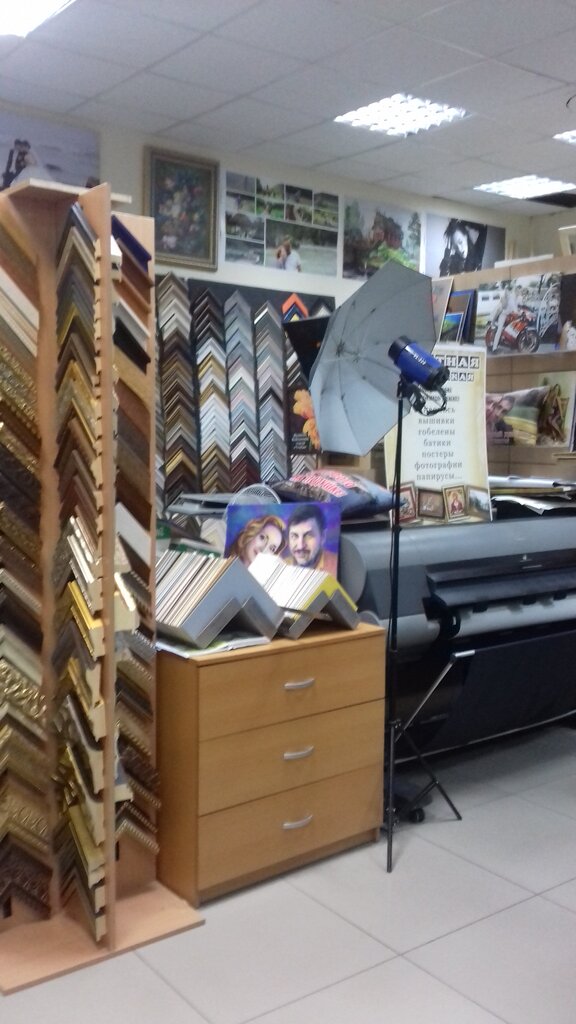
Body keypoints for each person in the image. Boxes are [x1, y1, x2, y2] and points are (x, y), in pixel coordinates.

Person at [285, 504, 330, 571]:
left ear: (323, 537)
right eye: (294, 536)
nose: (300, 546)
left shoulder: (334, 567)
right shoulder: (282, 565)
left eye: (308, 536)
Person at [491, 284, 523, 352]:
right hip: (504, 314)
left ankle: (513, 344)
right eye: (518, 291)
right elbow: (514, 308)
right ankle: (494, 348)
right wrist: (519, 313)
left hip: (510, 315)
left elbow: (521, 305)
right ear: (515, 290)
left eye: (520, 291)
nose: (519, 292)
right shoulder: (511, 297)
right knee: (500, 329)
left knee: (516, 327)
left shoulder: (519, 298)